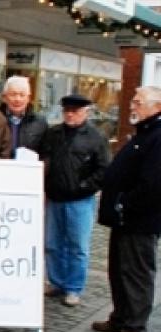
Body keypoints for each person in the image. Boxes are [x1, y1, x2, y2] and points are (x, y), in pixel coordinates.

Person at [93, 86, 161, 332]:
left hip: (138, 220)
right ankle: (120, 317)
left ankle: (134, 329)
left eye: (138, 101)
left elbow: (153, 184)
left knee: (136, 274)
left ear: (156, 107)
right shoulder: (144, 133)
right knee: (119, 271)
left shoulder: (156, 136)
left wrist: (124, 203)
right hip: (124, 219)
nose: (132, 105)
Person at [39, 94, 110, 308]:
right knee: (52, 244)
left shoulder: (96, 137)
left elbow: (104, 168)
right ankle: (57, 282)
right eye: (67, 110)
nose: (70, 114)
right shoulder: (53, 134)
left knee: (77, 246)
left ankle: (73, 288)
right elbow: (44, 159)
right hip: (55, 198)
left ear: (85, 112)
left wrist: (84, 187)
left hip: (81, 200)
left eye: (75, 111)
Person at [0, 75, 47, 154]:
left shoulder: (39, 122)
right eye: (13, 94)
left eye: (22, 95)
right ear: (4, 97)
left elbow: (45, 153)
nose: (17, 99)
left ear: (28, 98)